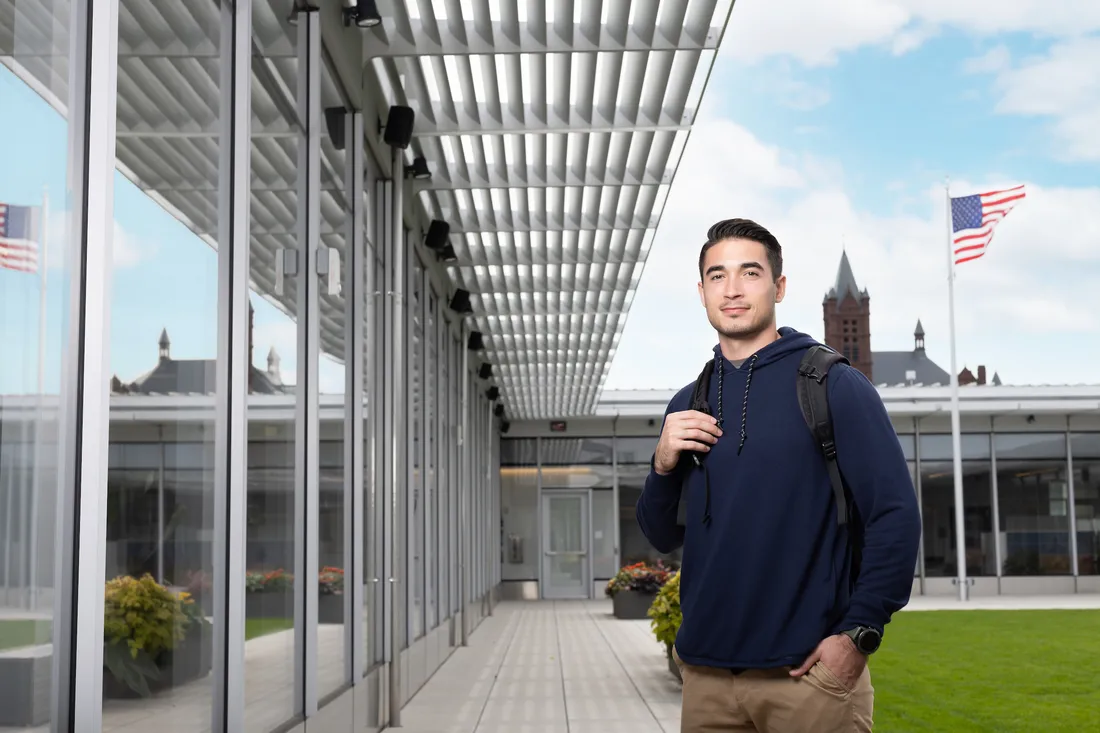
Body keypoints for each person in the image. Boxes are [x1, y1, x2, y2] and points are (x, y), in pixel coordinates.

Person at [636, 218, 922, 732]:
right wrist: (661, 463)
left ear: (779, 286)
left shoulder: (834, 386)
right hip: (705, 681)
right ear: (702, 292)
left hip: (809, 680)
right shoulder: (687, 403)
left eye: (750, 273)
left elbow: (894, 516)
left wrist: (858, 635)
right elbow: (661, 534)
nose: (733, 289)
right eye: (718, 276)